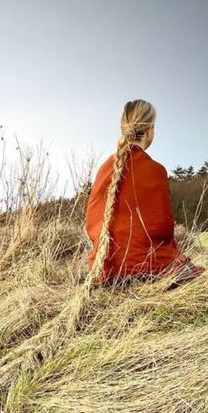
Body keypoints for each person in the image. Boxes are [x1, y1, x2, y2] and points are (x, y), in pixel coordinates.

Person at [85, 99, 205, 289]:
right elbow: (163, 228)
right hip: (147, 267)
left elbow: (91, 224)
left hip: (103, 270)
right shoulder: (155, 170)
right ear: (149, 131)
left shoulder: (103, 169)